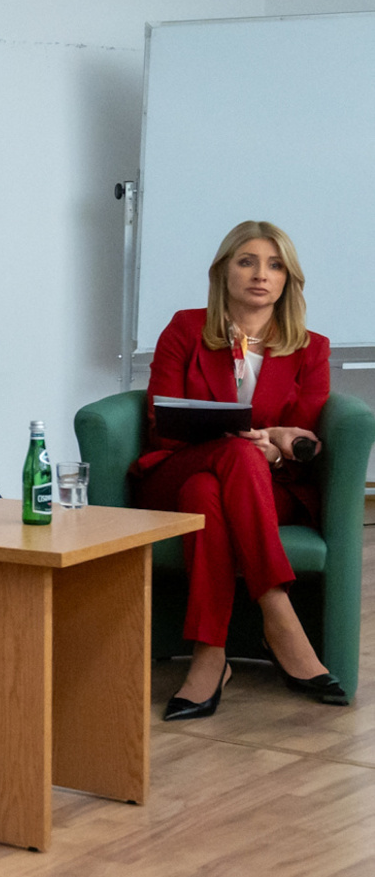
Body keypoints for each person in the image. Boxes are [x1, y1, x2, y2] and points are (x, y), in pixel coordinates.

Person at [133, 220, 345, 717]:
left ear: (288, 279)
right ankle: (277, 613)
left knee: (206, 493)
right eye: (246, 262)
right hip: (176, 468)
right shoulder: (185, 329)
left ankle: (210, 655)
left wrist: (276, 449)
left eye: (274, 265)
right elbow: (160, 424)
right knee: (228, 460)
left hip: (266, 486)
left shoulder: (311, 348)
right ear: (223, 272)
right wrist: (254, 441)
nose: (260, 274)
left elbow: (305, 437)